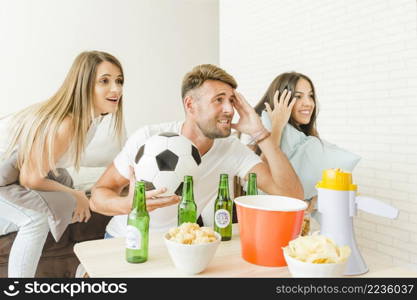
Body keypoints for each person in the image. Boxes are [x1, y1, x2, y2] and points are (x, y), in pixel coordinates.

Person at [90, 64, 304, 237]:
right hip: (126, 240)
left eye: (231, 101)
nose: (229, 110)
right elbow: (98, 195)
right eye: (219, 100)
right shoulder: (148, 138)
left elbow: (292, 197)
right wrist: (127, 204)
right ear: (190, 105)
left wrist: (261, 134)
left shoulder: (231, 149)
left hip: (181, 243)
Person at [0, 51, 162, 277]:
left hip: (10, 176)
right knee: (35, 219)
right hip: (4, 178)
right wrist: (75, 195)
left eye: (119, 81)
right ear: (84, 85)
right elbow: (30, 178)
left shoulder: (89, 121)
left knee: (62, 182)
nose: (116, 89)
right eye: (104, 81)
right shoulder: (67, 123)